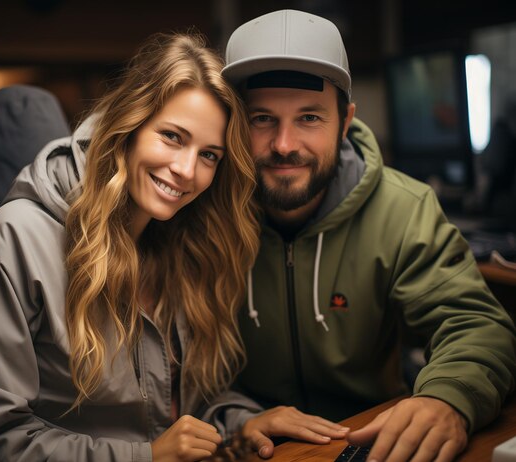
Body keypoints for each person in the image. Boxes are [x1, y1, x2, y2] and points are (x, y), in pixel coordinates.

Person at [0, 32, 349, 461]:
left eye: (209, 155)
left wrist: (239, 424)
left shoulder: (180, 238)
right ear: (129, 125)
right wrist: (145, 457)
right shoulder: (17, 238)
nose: (186, 170)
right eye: (173, 137)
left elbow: (176, 409)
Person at [221, 9, 516, 461]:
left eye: (309, 118)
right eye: (262, 118)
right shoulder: (204, 214)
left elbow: (476, 325)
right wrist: (234, 416)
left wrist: (446, 398)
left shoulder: (403, 209)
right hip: (248, 441)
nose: (283, 144)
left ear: (345, 121)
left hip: (367, 436)